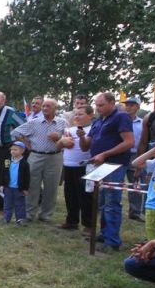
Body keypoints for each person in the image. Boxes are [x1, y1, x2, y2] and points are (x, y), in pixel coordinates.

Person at [79, 92, 134, 252]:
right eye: (96, 105)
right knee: (101, 201)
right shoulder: (97, 121)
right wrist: (82, 137)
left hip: (114, 165)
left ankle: (113, 240)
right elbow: (85, 146)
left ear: (112, 103)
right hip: (98, 166)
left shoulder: (121, 117)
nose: (98, 108)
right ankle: (104, 233)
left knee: (111, 202)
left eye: (101, 105)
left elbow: (129, 142)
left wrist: (105, 154)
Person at [11, 98, 68, 222]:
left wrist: (59, 137)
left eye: (48, 106)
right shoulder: (34, 122)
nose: (45, 108)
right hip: (36, 156)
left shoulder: (62, 122)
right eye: (44, 106)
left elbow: (69, 138)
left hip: (55, 157)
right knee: (32, 185)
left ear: (55, 108)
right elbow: (15, 132)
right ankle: (29, 213)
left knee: (51, 187)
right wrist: (26, 143)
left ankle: (46, 215)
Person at [57, 105, 94, 235]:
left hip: (84, 166)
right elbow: (58, 146)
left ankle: (88, 224)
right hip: (68, 165)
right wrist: (62, 141)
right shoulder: (70, 129)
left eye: (81, 114)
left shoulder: (92, 129)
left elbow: (87, 146)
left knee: (85, 196)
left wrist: (82, 137)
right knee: (70, 195)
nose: (77, 117)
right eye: (76, 114)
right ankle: (71, 220)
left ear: (90, 115)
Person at [122, 96, 145, 222]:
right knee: (112, 182)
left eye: (132, 105)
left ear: (137, 107)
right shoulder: (120, 120)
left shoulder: (142, 123)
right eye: (127, 105)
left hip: (135, 155)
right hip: (120, 154)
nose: (129, 107)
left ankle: (135, 211)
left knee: (135, 183)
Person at [1, 141, 30, 226]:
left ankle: (20, 219)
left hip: (19, 188)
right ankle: (6, 218)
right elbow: (3, 173)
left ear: (22, 151)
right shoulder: (7, 161)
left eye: (15, 150)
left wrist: (25, 188)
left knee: (19, 204)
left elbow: (27, 177)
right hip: (8, 187)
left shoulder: (24, 163)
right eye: (12, 150)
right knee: (7, 203)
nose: (13, 151)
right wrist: (2, 184)